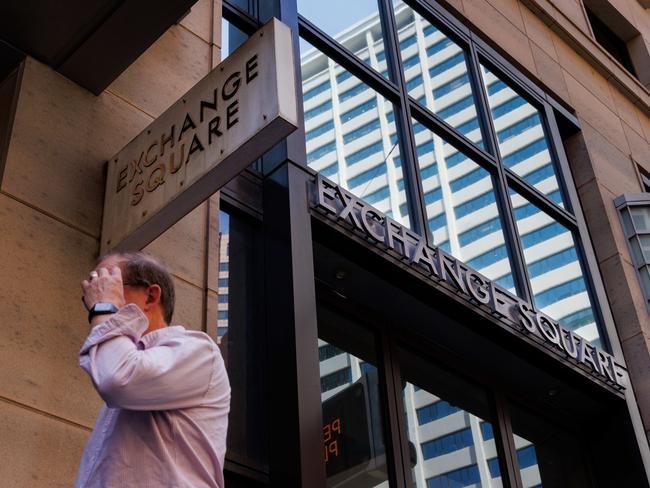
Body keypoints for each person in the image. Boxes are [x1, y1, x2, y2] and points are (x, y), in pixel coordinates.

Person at [75, 251, 230, 488]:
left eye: (108, 284)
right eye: (94, 289)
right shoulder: (127, 362)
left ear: (150, 296)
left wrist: (104, 308)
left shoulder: (198, 351)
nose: (94, 297)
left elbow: (117, 379)